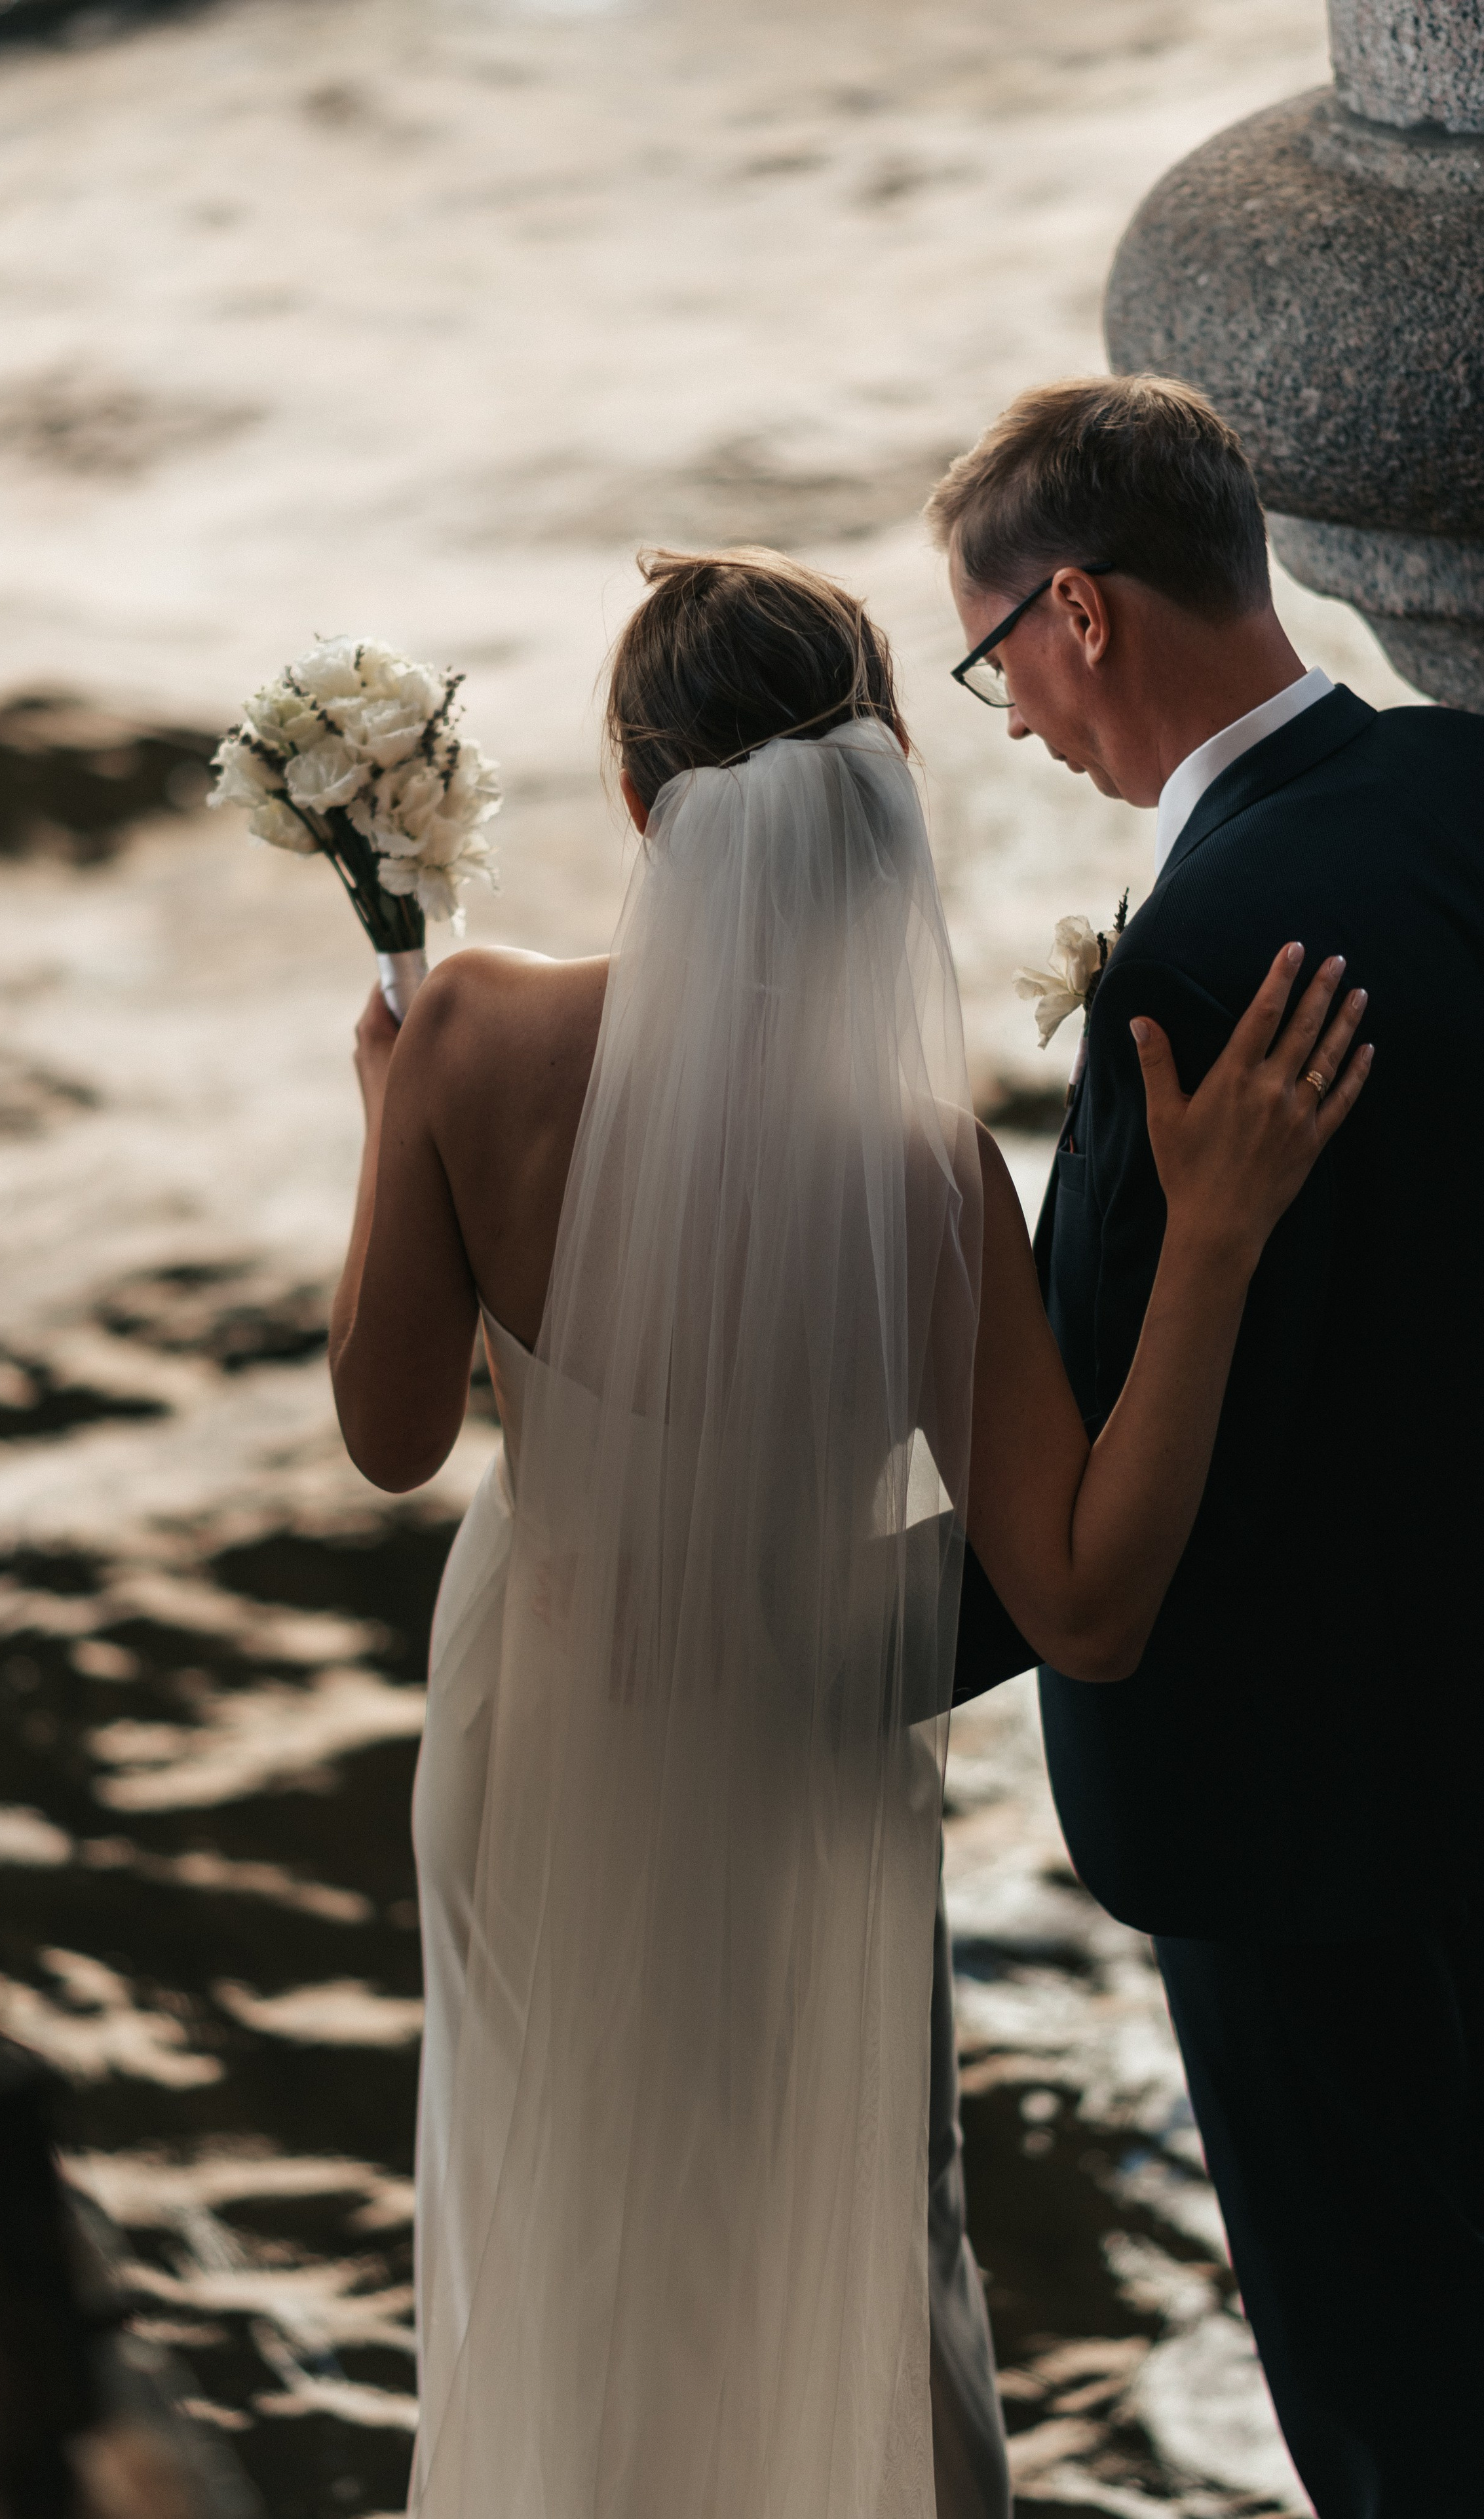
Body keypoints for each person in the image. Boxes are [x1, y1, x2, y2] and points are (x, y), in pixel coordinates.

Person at [328, 545, 1367, 2519]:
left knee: (560, 2249)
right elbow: (1085, 1600)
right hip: (793, 1769)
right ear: (876, 779)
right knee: (847, 2272)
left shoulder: (464, 1034)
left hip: (532, 1739)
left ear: (645, 809)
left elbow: (389, 1439)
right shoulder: (919, 1176)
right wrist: (1214, 1245)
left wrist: (393, 1128)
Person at [928, 373, 1484, 2519]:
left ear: (1079, 610)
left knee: (1395, 2387)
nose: (1006, 719)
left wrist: (784, 1644)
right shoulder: (1459, 787)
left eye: (994, 660)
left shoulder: (1195, 965)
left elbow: (1081, 1483)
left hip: (1302, 1838)